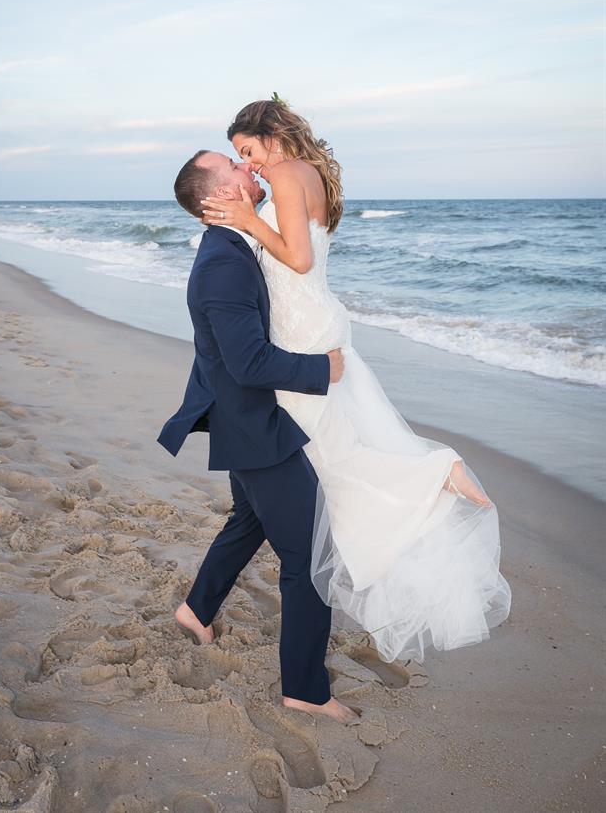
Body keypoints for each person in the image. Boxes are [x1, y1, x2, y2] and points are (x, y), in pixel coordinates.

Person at [200, 95, 512, 663]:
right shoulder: (308, 173)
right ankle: (199, 607)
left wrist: (247, 220)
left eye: (249, 151)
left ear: (272, 135)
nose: (252, 165)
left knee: (325, 459)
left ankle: (435, 470)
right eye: (240, 158)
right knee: (319, 454)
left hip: (299, 330)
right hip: (309, 321)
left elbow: (296, 260)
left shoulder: (291, 172)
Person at [157, 149, 358, 724]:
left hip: (240, 416)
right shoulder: (223, 262)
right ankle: (306, 689)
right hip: (254, 426)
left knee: (248, 522)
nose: (253, 172)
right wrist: (323, 369)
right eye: (238, 169)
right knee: (308, 558)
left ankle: (197, 611)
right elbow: (247, 362)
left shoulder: (229, 248)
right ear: (218, 197)